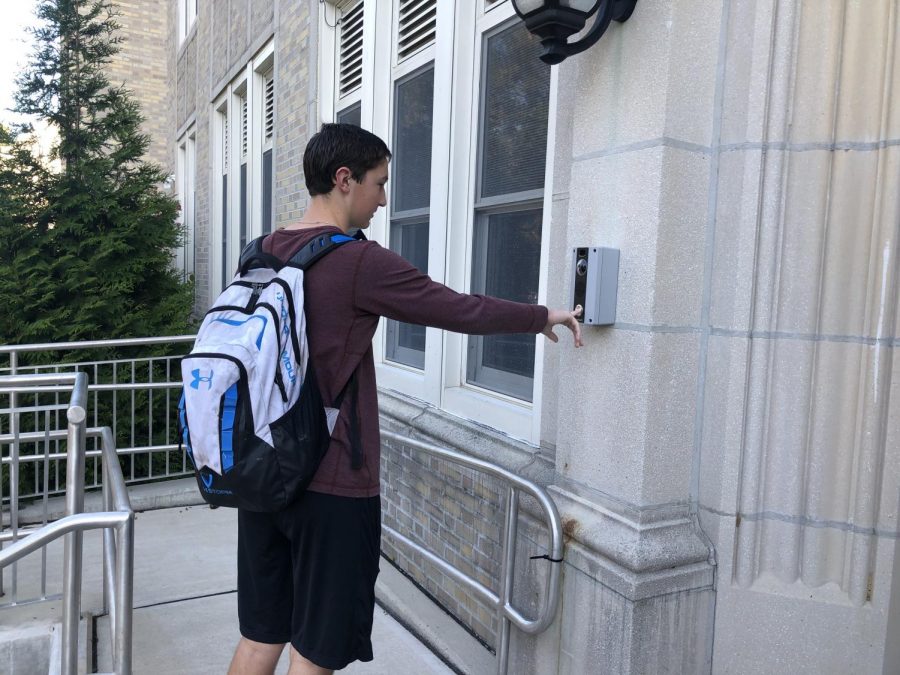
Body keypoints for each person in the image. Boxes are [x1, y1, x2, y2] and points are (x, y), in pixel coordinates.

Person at [227, 123, 582, 675]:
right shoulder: (356, 262)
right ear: (344, 180)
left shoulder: (262, 251)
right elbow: (457, 308)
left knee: (260, 637)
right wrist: (541, 316)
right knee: (316, 652)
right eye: (379, 182)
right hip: (331, 483)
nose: (384, 199)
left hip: (263, 472)